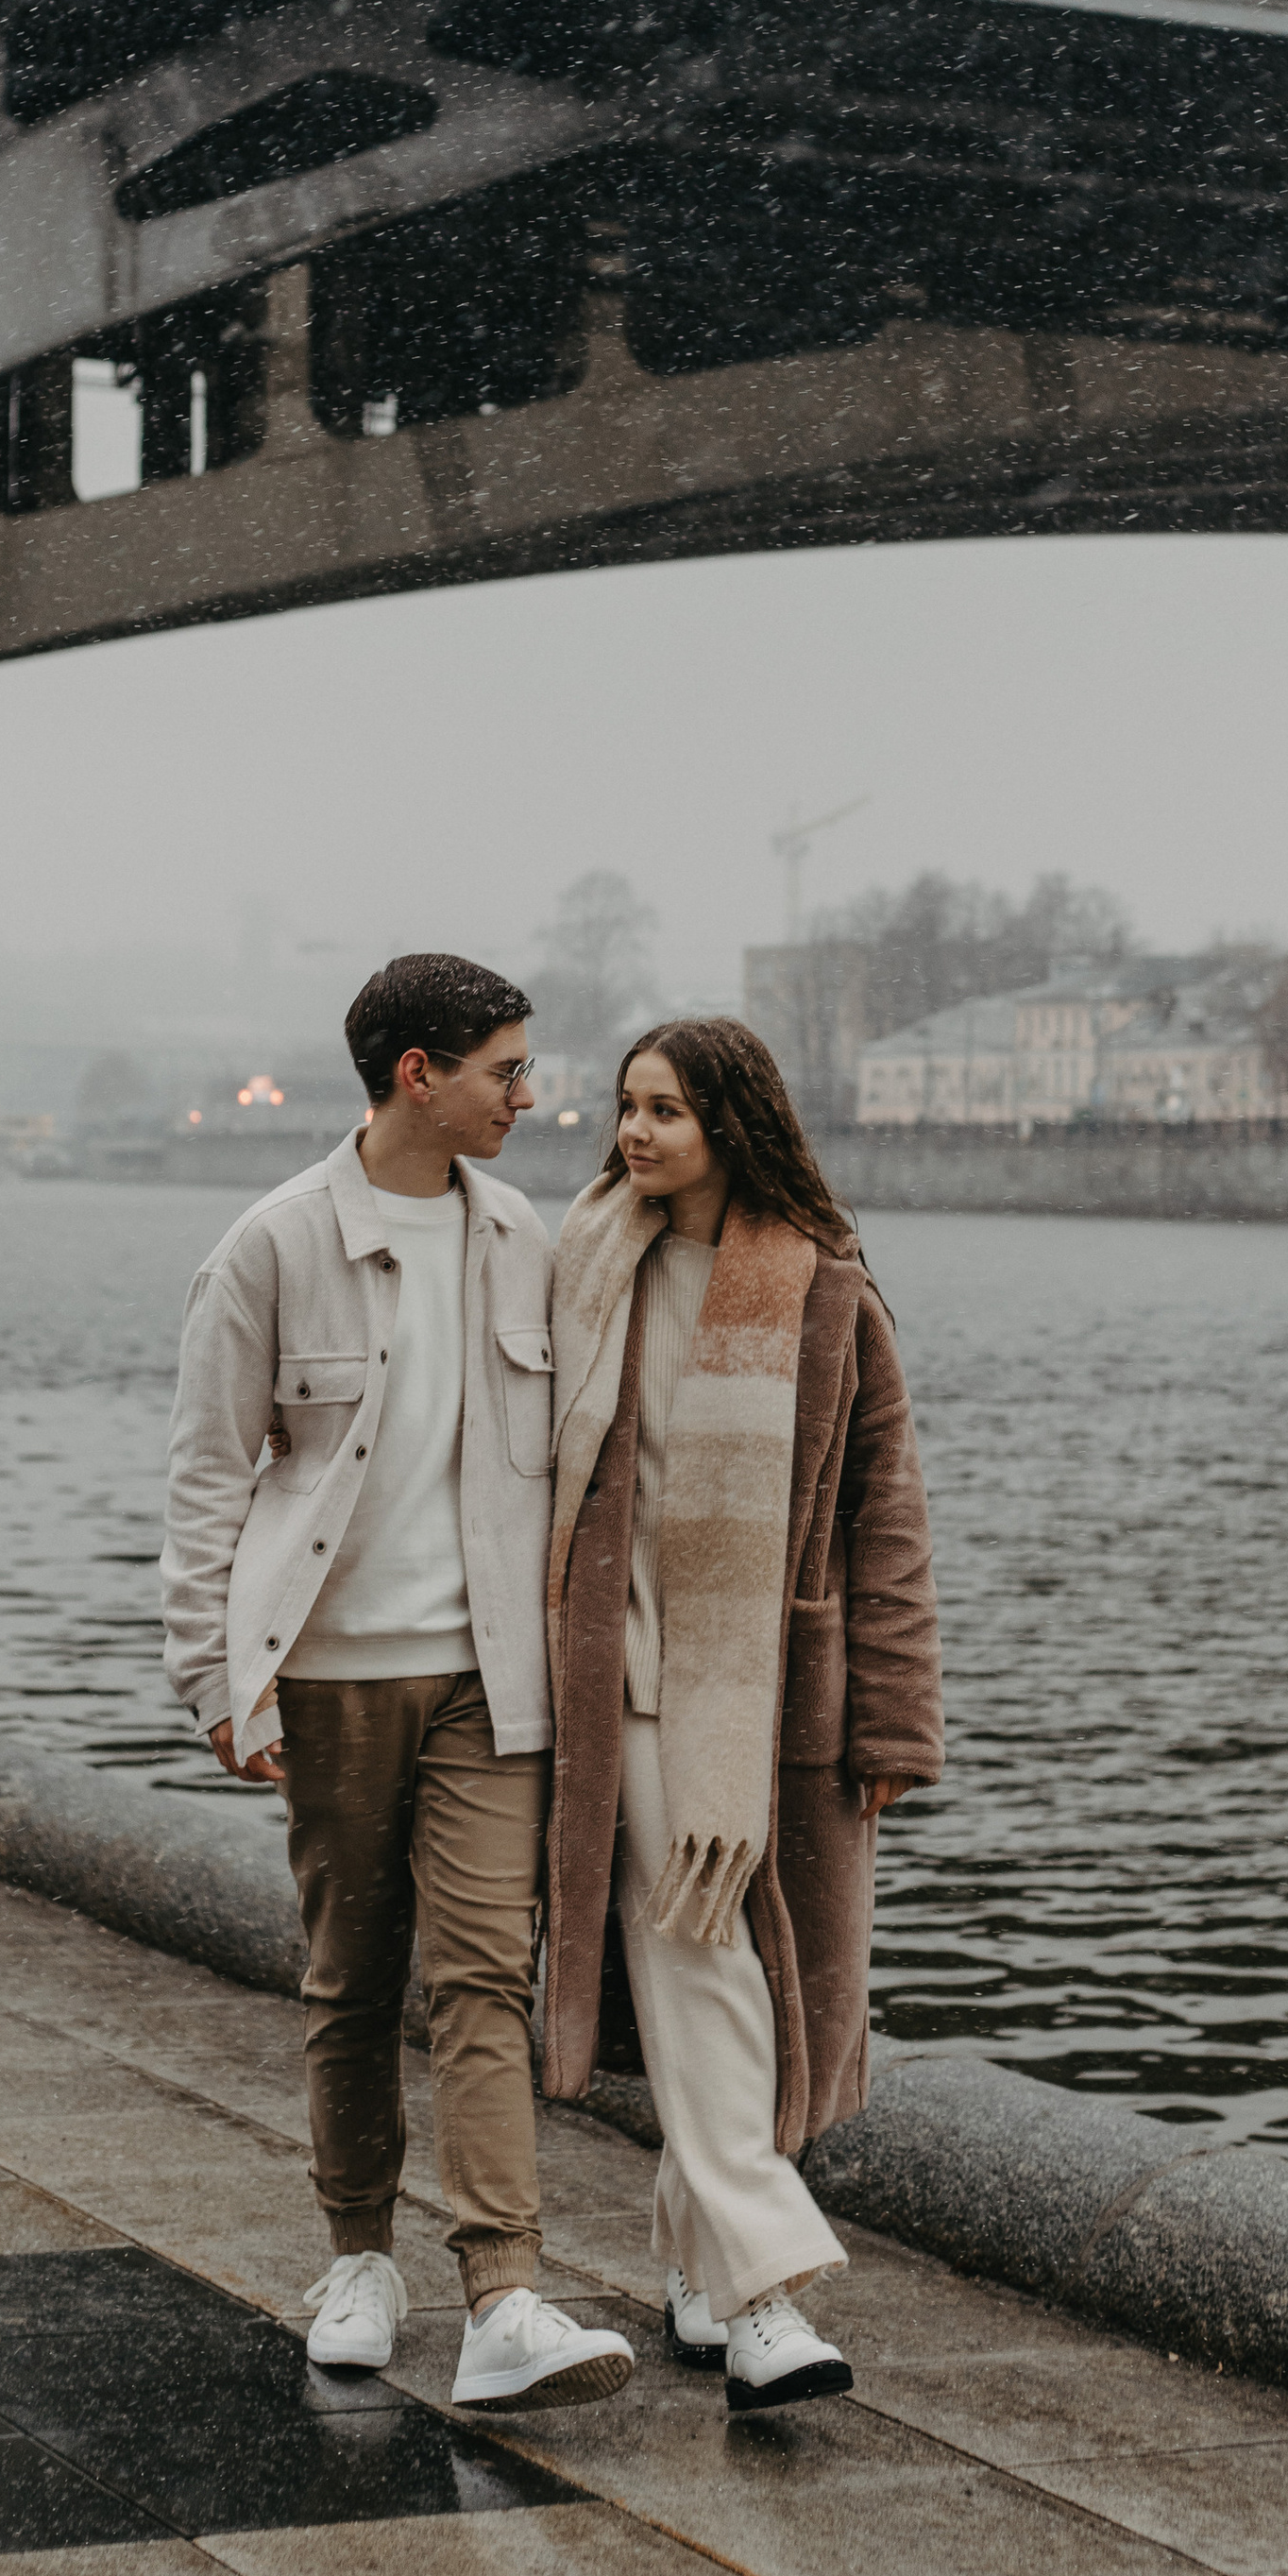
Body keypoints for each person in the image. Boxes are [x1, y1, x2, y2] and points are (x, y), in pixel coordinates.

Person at [160, 952, 633, 2414]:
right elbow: (202, 1476)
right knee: (351, 1979)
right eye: (502, 1068)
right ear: (416, 1076)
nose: (528, 1093)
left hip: (494, 1677)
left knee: (484, 1972)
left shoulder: (522, 1240)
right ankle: (359, 2257)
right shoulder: (275, 1246)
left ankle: (505, 2294)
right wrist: (212, 1681)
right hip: (333, 1678)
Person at [541, 1016, 942, 2412]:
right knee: (701, 1955)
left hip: (776, 1699)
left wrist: (894, 1724)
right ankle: (769, 2291)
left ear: (734, 1124)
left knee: (752, 1983)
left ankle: (696, 2266)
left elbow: (885, 1521)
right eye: (624, 1107)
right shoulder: (587, 1265)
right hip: (625, 1679)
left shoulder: (828, 1294)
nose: (634, 1133)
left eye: (665, 1112)